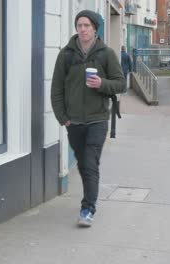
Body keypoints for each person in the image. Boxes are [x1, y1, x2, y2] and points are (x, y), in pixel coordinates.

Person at [50, 10, 125, 227]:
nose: (82, 29)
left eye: (86, 25)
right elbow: (56, 90)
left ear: (95, 28)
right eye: (79, 25)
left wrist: (102, 84)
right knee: (83, 163)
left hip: (98, 119)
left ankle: (87, 208)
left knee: (90, 162)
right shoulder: (66, 55)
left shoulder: (106, 54)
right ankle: (89, 201)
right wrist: (63, 118)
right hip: (74, 121)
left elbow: (120, 83)